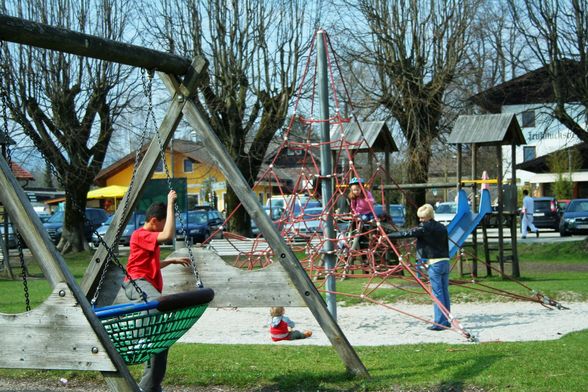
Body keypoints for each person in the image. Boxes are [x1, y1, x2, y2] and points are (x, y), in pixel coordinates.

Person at [124, 190, 192, 392]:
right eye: (162, 223)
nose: (163, 228)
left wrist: (169, 261)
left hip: (146, 283)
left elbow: (149, 263)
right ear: (154, 221)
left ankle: (150, 387)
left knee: (161, 343)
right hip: (136, 282)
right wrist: (171, 204)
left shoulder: (148, 238)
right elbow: (168, 234)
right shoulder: (141, 234)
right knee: (157, 304)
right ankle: (138, 337)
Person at [387, 204, 451, 331]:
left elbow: (407, 233)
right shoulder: (442, 227)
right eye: (420, 218)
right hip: (445, 261)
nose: (421, 220)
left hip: (434, 263)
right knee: (444, 292)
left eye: (422, 218)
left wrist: (388, 236)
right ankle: (447, 319)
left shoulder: (425, 228)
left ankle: (440, 322)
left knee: (437, 293)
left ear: (428, 217)